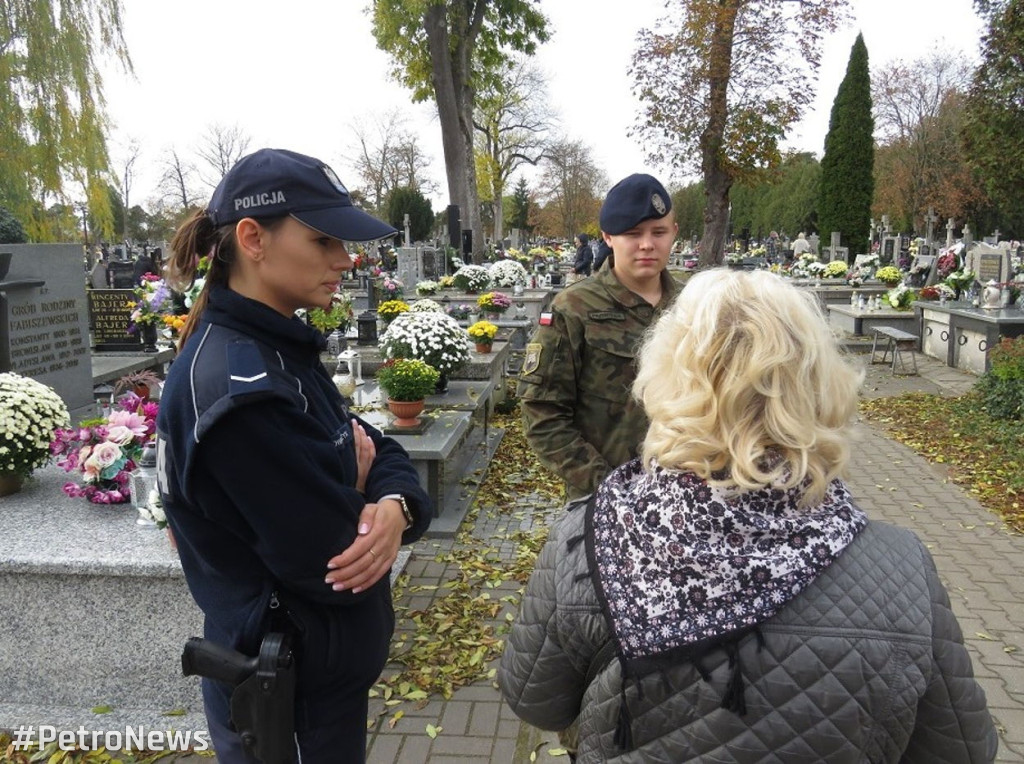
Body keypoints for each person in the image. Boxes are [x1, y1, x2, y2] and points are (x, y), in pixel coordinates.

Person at [500, 268, 997, 762]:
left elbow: (537, 702)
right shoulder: (900, 567)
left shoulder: (588, 539)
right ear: (820, 384)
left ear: (666, 379)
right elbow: (961, 747)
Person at [156, 148, 432, 763]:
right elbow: (333, 560)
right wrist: (362, 492)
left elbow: (376, 443)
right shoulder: (239, 391)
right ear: (253, 238)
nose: (346, 259)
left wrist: (390, 501)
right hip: (287, 701)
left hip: (317, 684)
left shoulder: (274, 348)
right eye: (324, 240)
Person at [519, 173, 681, 501]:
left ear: (674, 233)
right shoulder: (574, 308)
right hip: (602, 500)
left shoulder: (696, 306)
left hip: (688, 498)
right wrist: (609, 486)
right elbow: (543, 415)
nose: (648, 244)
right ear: (607, 237)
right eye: (633, 234)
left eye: (659, 232)